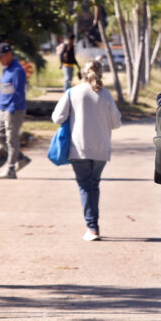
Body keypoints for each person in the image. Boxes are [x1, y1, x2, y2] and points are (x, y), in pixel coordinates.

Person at [51, 60, 122, 242]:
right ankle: (93, 225)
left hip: (79, 147)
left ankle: (92, 228)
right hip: (101, 148)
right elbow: (116, 123)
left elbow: (57, 117)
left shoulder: (73, 92)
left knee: (85, 186)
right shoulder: (106, 95)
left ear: (82, 73)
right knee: (94, 185)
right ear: (101, 73)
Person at [0, 43, 31, 179]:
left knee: (11, 140)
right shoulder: (6, 68)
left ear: (9, 54)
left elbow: (18, 93)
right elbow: (5, 90)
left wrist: (10, 109)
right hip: (3, 108)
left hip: (13, 110)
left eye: (1, 57)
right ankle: (20, 158)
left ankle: (10, 169)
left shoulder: (17, 70)